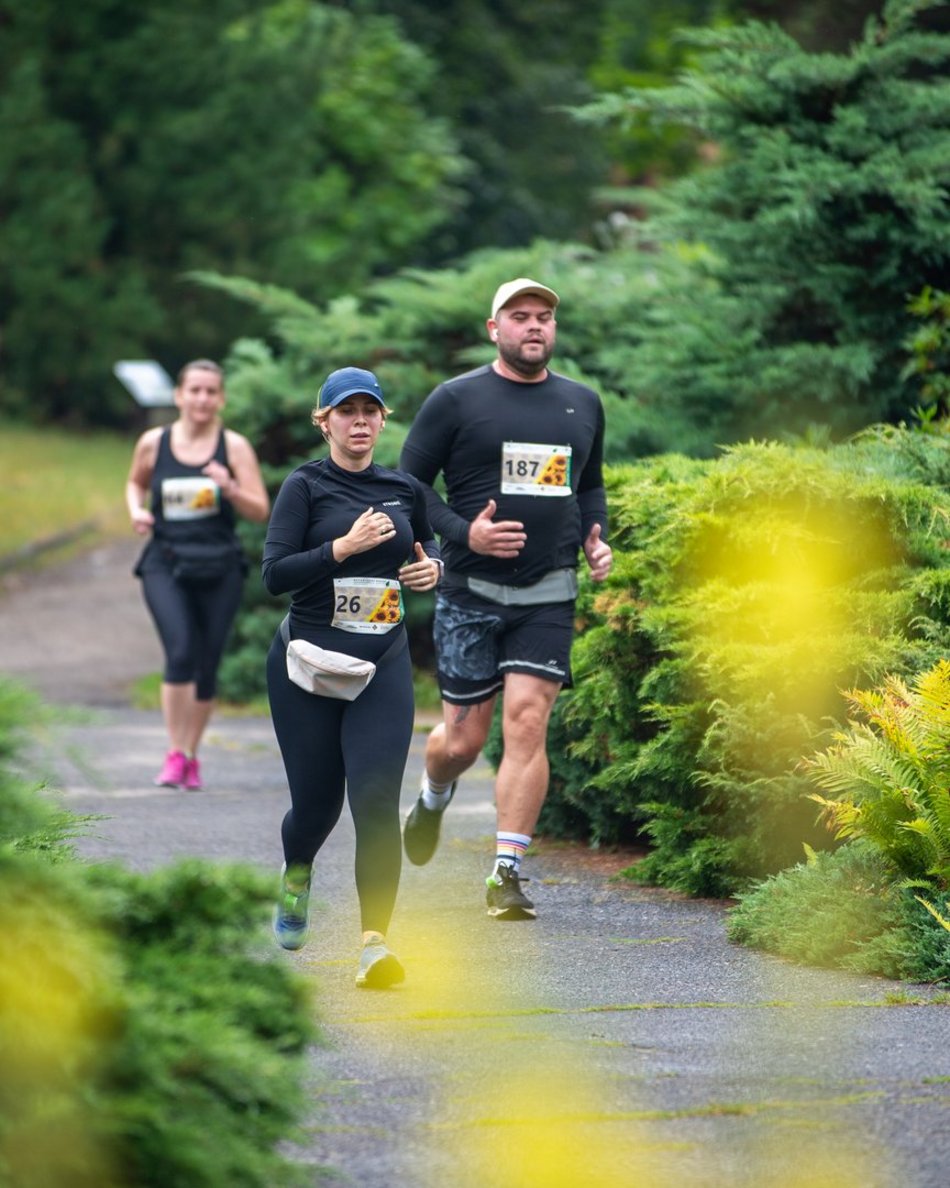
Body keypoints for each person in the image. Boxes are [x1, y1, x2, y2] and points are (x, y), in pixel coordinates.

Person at [399, 277, 613, 921]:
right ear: (494, 328)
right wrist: (467, 533)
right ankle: (434, 793)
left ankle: (506, 871)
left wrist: (598, 540)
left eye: (544, 316)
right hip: (469, 593)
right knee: (463, 742)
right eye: (519, 317)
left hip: (548, 591)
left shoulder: (582, 403)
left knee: (527, 720)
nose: (534, 327)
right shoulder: (456, 400)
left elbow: (590, 485)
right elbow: (409, 488)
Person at [262, 366, 441, 988]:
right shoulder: (305, 487)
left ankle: (374, 945)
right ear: (325, 422)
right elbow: (274, 574)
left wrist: (431, 571)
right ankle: (297, 872)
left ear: (383, 420)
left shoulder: (403, 488)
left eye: (370, 411)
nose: (359, 421)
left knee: (374, 802)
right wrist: (341, 546)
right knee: (316, 807)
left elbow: (428, 549)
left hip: (381, 665)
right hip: (306, 668)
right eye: (346, 411)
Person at [126, 359, 270, 790]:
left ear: (221, 398)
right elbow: (135, 483)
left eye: (211, 391)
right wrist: (136, 511)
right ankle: (174, 753)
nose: (203, 398)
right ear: (179, 396)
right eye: (195, 390)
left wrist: (230, 487)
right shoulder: (155, 442)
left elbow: (259, 510)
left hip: (219, 564)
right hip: (165, 560)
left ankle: (191, 753)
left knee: (207, 665)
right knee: (181, 649)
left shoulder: (235, 447)